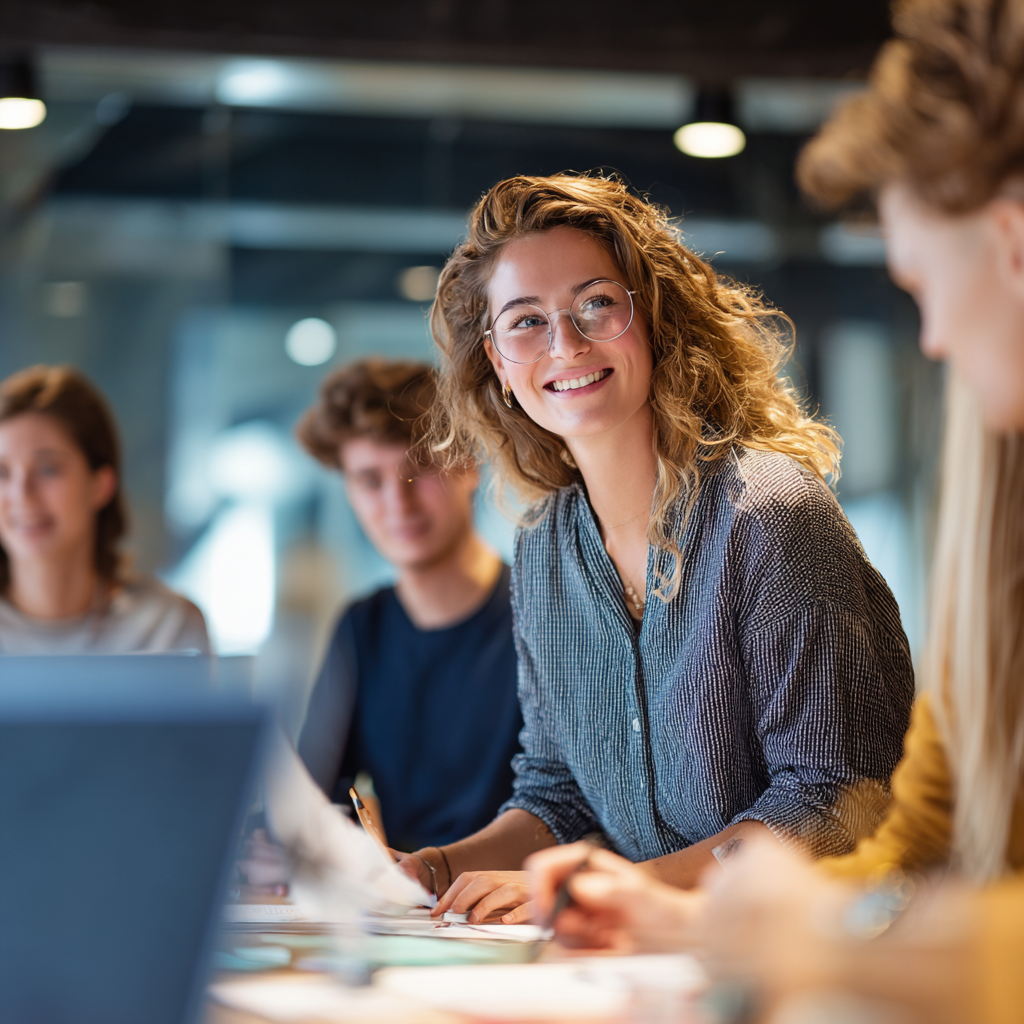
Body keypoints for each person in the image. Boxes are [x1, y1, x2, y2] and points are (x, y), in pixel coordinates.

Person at [529, 1, 1024, 1020]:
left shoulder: (768, 511)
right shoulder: (998, 507)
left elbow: (851, 821)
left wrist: (814, 934)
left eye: (924, 284)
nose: (930, 340)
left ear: (1011, 247)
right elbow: (916, 844)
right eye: (525, 324)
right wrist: (687, 917)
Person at [394, 171, 916, 925]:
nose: (565, 342)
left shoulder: (769, 514)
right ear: (499, 367)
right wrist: (432, 868)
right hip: (651, 960)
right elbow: (557, 794)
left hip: (818, 957)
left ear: (655, 318)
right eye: (525, 321)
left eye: (596, 303)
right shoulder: (544, 547)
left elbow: (833, 800)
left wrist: (640, 890)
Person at [294, 358, 522, 853]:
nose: (398, 503)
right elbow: (312, 800)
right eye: (370, 480)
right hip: (406, 910)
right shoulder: (362, 628)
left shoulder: (542, 617)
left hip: (517, 904)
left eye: (420, 471)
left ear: (469, 466)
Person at [0, 364, 208, 654]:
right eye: (2, 472)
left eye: (48, 469)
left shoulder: (166, 628)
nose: (21, 494)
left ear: (101, 485)